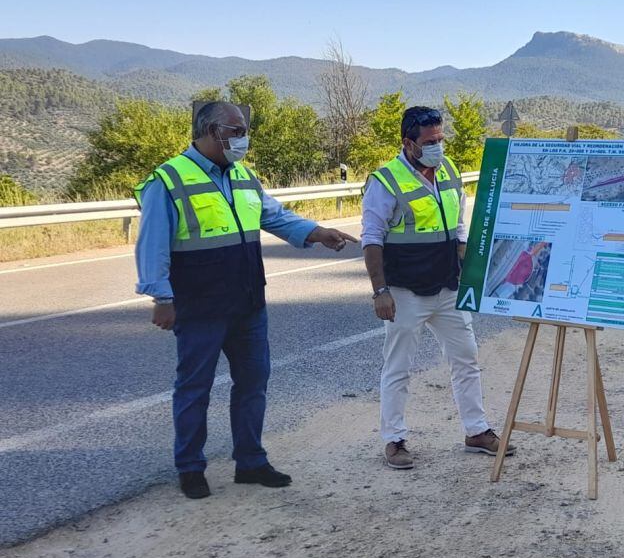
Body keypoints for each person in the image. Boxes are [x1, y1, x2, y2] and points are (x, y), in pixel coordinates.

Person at [134, 101, 357, 499]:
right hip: (200, 305)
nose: (243, 137)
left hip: (248, 301)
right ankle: (190, 467)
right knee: (194, 388)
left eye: (243, 129)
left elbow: (274, 216)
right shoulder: (168, 180)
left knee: (253, 383)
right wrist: (161, 297)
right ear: (208, 131)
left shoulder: (242, 176)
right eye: (235, 130)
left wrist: (316, 232)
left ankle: (250, 461)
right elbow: (153, 245)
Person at [361, 106, 514, 470]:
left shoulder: (448, 172)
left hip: (447, 288)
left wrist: (468, 269)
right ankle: (394, 440)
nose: (438, 147)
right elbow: (371, 239)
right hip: (404, 292)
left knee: (467, 360)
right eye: (430, 142)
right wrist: (379, 292)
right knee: (398, 367)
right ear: (408, 142)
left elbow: (459, 229)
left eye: (441, 139)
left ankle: (476, 431)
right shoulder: (385, 181)